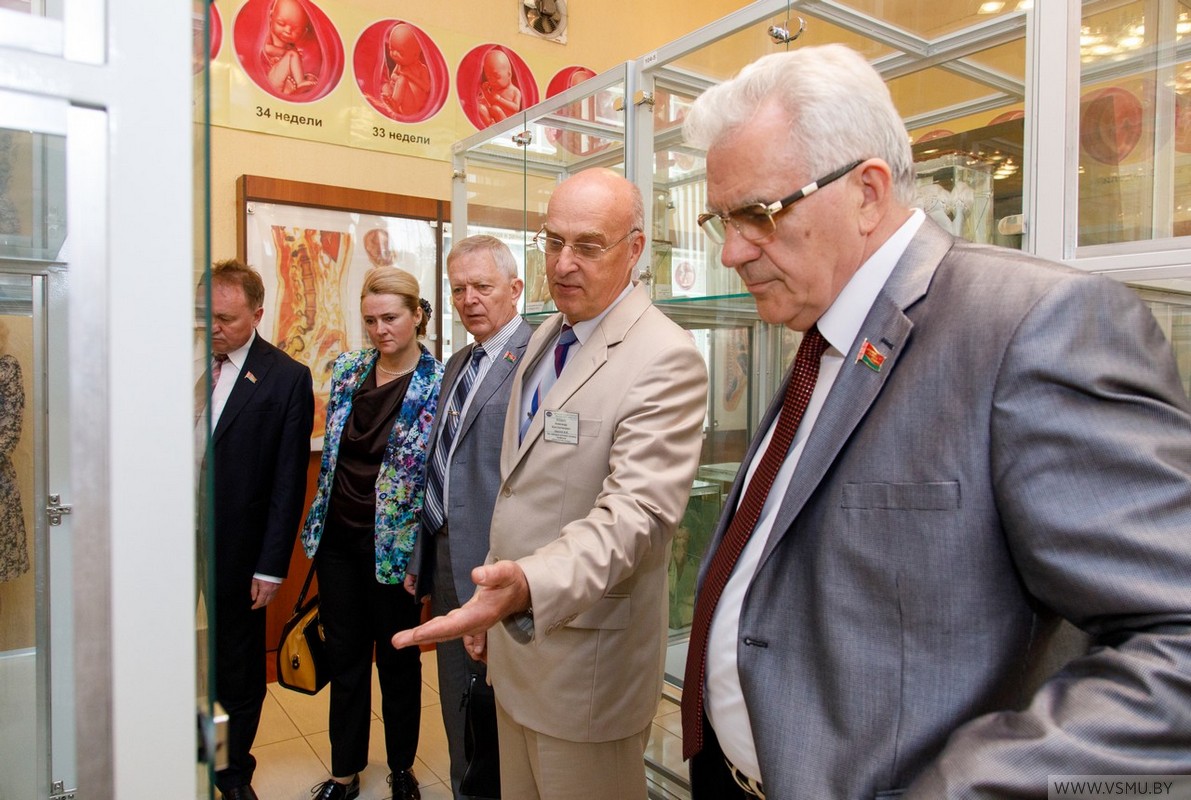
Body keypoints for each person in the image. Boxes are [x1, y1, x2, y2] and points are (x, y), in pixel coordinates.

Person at [678, 44, 1191, 799]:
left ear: (866, 191)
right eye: (721, 219)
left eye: (758, 214)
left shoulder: (1032, 325)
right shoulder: (823, 334)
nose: (731, 251)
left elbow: (1175, 643)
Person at [394, 168, 710, 800]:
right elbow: (519, 487)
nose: (563, 264)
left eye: (588, 245)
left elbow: (636, 517)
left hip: (585, 671)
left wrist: (523, 587)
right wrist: (489, 595)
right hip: (517, 655)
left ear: (635, 249)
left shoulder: (664, 356)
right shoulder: (547, 335)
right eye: (553, 241)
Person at [300, 267, 443, 800]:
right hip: (338, 539)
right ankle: (344, 772)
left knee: (399, 660)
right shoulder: (348, 369)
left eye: (390, 318)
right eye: (370, 320)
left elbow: (438, 479)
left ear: (417, 315)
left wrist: (423, 560)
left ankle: (401, 769)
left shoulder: (438, 383)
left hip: (396, 551)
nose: (380, 330)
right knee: (346, 660)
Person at [405, 235, 532, 799]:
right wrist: (421, 552)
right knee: (458, 699)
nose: (469, 299)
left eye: (482, 286)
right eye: (458, 289)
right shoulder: (459, 362)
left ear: (515, 287)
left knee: (501, 707)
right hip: (445, 556)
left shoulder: (539, 357)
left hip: (501, 565)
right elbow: (439, 461)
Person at [202, 259, 314, 800]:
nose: (212, 327)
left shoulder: (285, 378)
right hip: (170, 541)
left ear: (257, 314)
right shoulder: (177, 362)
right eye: (204, 315)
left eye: (224, 318)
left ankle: (228, 770)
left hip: (237, 549)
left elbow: (288, 482)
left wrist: (271, 566)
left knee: (235, 668)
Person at [260, 0, 322, 96]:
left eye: (296, 29)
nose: (288, 30)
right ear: (271, 17)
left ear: (303, 33)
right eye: (281, 23)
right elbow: (266, 48)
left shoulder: (291, 46)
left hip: (286, 84)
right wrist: (286, 53)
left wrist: (296, 60)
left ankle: (297, 88)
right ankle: (300, 83)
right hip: (272, 79)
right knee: (292, 55)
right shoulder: (269, 35)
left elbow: (294, 70)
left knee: (311, 78)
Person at [379, 21, 432, 118]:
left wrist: (408, 76)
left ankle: (394, 104)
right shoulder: (400, 65)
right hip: (400, 98)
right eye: (391, 49)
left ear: (415, 55)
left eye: (401, 53)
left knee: (402, 79)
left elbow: (427, 87)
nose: (394, 54)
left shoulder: (422, 68)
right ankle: (389, 100)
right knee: (385, 86)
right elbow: (393, 75)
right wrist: (396, 79)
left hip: (411, 106)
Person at [477, 47, 521, 127]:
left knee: (495, 109)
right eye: (489, 78)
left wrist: (500, 99)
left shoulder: (514, 91)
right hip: (496, 120)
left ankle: (496, 125)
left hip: (509, 122)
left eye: (497, 76)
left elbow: (516, 108)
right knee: (481, 108)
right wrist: (486, 91)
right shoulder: (495, 90)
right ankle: (490, 123)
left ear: (509, 74)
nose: (492, 81)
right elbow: (491, 102)